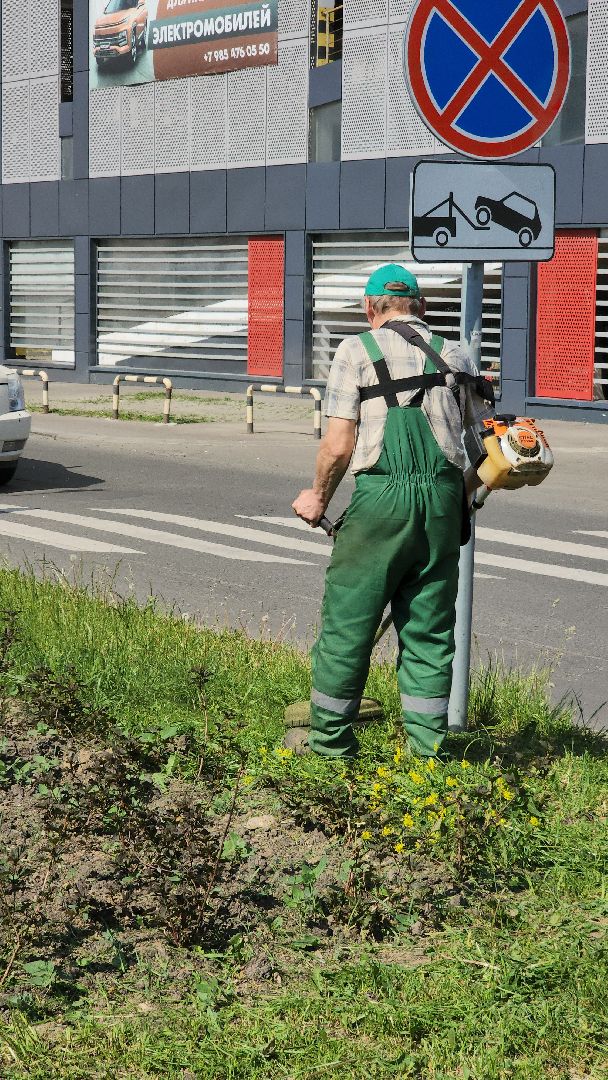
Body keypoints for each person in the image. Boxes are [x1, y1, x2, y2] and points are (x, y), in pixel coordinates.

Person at [291, 263, 494, 760]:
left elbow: (339, 445)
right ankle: (428, 753)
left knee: (349, 623)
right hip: (442, 506)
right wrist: (460, 498)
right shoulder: (456, 354)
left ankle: (329, 747)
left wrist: (317, 497)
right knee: (429, 630)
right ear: (421, 306)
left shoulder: (355, 350)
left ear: (369, 307)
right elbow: (488, 448)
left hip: (382, 501)